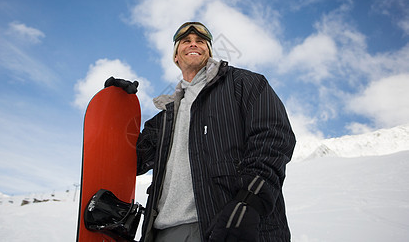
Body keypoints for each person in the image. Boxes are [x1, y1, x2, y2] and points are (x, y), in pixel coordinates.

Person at [106, 22, 296, 242]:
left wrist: (248, 202)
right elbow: (132, 162)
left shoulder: (244, 84)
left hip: (228, 225)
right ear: (176, 56)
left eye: (201, 41)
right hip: (162, 233)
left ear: (209, 52)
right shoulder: (166, 117)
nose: (193, 44)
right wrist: (117, 107)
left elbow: (273, 140)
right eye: (186, 41)